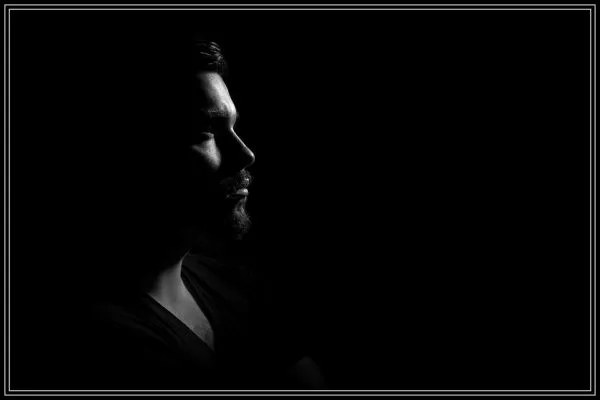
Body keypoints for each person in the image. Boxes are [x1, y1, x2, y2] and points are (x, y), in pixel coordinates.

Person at [64, 39, 326, 390]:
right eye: (206, 132)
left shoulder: (236, 285)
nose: (245, 154)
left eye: (234, 127)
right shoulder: (99, 341)